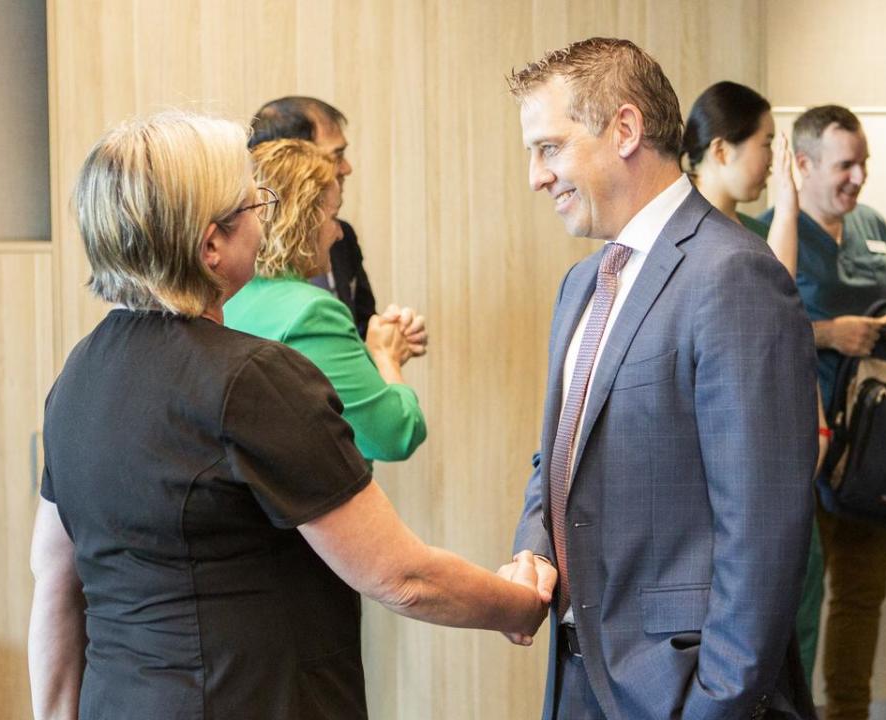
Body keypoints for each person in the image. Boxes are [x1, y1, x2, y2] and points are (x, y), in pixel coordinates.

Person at [28, 111, 548, 720]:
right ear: (212, 243)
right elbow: (400, 576)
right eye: (255, 204)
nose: (264, 216)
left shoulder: (78, 376)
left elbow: (53, 582)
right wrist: (520, 604)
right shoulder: (254, 379)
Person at [501, 37, 819, 719]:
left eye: (549, 147)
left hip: (684, 692)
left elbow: (762, 523)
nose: (535, 175)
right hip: (580, 679)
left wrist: (716, 703)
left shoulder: (734, 275)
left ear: (624, 129)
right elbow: (556, 459)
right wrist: (535, 550)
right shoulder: (581, 284)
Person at [762, 105, 886, 720]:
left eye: (864, 163)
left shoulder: (873, 225)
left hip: (877, 452)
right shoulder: (774, 232)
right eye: (845, 164)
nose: (858, 178)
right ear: (802, 166)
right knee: (792, 602)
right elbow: (754, 331)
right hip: (804, 448)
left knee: (860, 598)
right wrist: (825, 334)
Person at [682, 80, 828, 688]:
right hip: (725, 495)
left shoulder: (744, 236)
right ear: (722, 149)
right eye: (766, 143)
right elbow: (774, 292)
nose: (773, 160)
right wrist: (791, 208)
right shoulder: (696, 244)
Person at [226, 139, 426, 463]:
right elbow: (395, 436)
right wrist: (386, 356)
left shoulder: (225, 297)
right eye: (334, 216)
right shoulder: (311, 313)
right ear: (303, 220)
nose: (339, 234)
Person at [249, 96, 425, 348]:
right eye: (336, 155)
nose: (347, 168)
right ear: (293, 161)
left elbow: (361, 330)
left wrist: (390, 339)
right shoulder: (239, 254)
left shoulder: (341, 237)